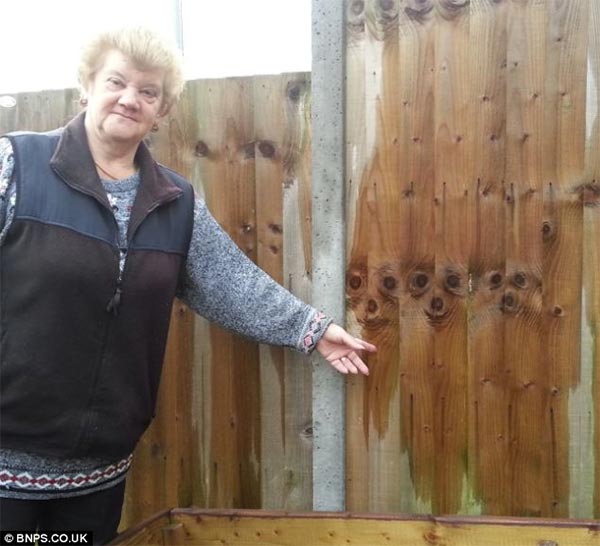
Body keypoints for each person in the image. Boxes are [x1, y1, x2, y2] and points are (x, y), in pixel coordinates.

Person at [0, 27, 375, 543]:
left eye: (148, 92)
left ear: (163, 110)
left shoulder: (174, 202)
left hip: (99, 468)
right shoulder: (15, 167)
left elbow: (231, 283)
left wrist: (313, 329)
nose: (130, 99)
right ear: (86, 86)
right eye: (117, 81)